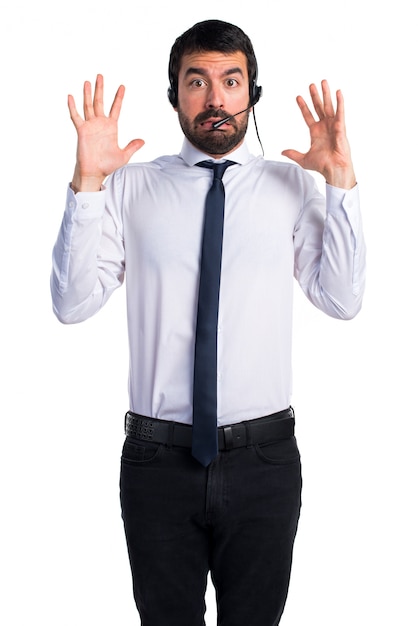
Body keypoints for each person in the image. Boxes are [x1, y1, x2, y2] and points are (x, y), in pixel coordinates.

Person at [51, 18, 366, 626]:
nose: (216, 98)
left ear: (252, 94)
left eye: (231, 80)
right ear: (174, 95)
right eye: (197, 81)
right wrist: (88, 183)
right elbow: (71, 303)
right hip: (156, 462)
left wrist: (341, 184)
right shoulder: (129, 187)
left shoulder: (291, 185)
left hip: (264, 461)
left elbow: (342, 299)